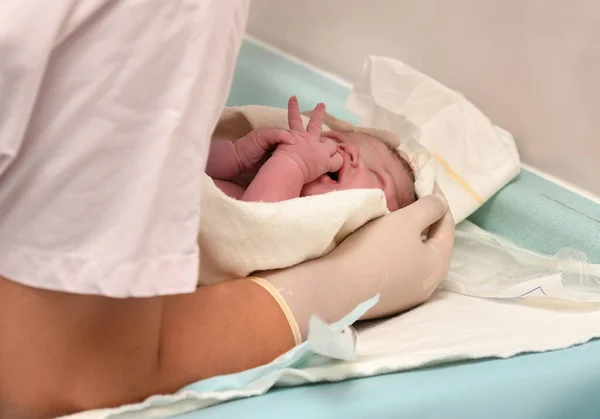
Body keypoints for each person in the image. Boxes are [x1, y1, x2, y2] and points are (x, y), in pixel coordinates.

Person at [0, 1, 455, 418]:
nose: (347, 156)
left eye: (374, 180)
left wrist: (240, 158)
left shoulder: (298, 219)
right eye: (342, 145)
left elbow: (177, 173)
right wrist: (348, 281)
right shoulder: (167, 14)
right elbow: (60, 372)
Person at [208, 96, 417, 210]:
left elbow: (253, 225)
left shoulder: (307, 237)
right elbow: (187, 166)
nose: (349, 151)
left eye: (378, 176)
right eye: (335, 142)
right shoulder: (250, 183)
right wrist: (235, 157)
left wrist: (294, 162)